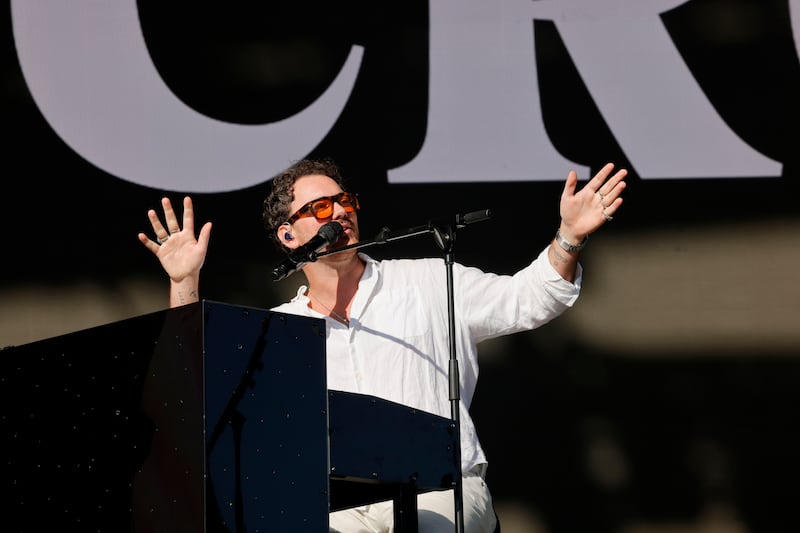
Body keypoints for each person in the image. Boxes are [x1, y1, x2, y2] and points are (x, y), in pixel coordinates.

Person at [138, 158, 627, 532]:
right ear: (288, 235)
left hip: (440, 493)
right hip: (337, 507)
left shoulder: (428, 281)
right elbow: (192, 390)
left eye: (346, 202)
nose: (342, 213)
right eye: (322, 208)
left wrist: (568, 237)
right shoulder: (278, 332)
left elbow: (531, 298)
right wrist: (185, 283)